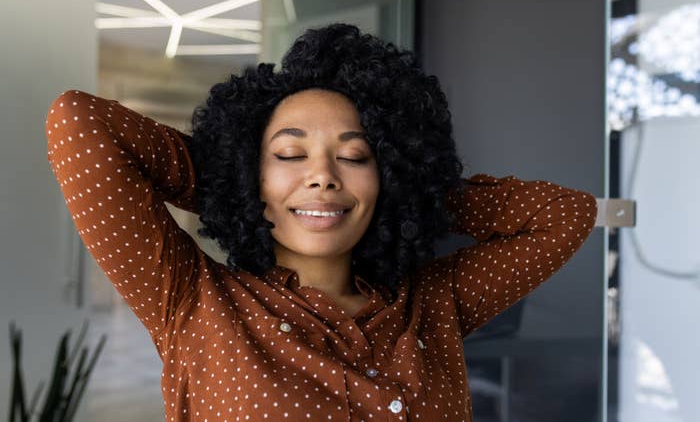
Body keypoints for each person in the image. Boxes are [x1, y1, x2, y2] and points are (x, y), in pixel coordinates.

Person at [45, 23, 597, 421]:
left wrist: (413, 190)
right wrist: (231, 183)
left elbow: (565, 214)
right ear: (250, 174)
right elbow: (78, 124)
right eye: (289, 155)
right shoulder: (193, 302)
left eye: (355, 157)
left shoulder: (433, 305)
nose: (323, 176)